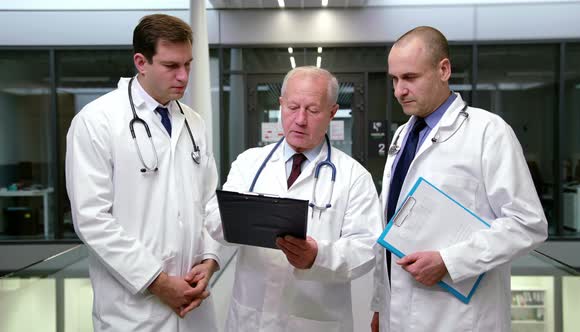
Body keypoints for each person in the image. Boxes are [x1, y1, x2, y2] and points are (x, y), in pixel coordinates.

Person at [370, 26, 548, 332]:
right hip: (396, 316)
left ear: (444, 70)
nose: (399, 90)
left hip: (459, 318)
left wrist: (450, 261)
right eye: (395, 80)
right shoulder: (402, 135)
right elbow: (390, 228)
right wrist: (379, 305)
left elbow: (527, 224)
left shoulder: (488, 132)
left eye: (410, 78)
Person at [66, 14, 221, 331]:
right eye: (171, 65)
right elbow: (92, 219)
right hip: (133, 311)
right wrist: (158, 281)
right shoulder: (97, 121)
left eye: (188, 65)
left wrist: (209, 260)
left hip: (193, 303)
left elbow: (209, 201)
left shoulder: (194, 123)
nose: (183, 76)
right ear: (141, 61)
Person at [205, 66, 382, 332]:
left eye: (312, 110)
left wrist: (317, 256)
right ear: (280, 105)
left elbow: (366, 249)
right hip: (250, 318)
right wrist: (236, 219)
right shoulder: (250, 163)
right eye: (292, 107)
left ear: (332, 112)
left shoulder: (354, 177)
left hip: (315, 321)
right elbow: (215, 221)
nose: (300, 119)